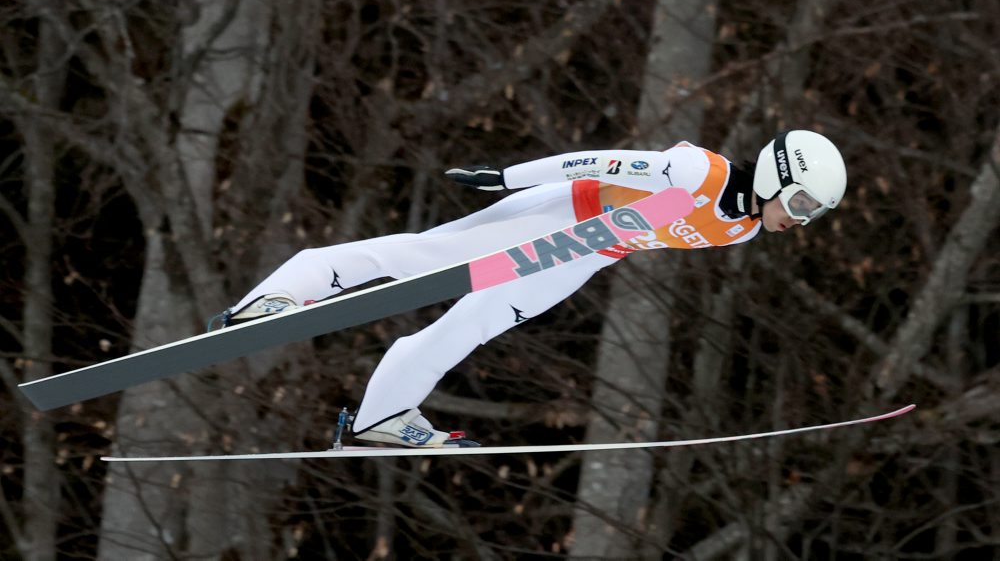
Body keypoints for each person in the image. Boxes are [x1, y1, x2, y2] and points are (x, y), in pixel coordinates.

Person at [225, 130, 846, 447]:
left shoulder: (740, 230)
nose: (800, 217)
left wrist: (582, 253)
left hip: (585, 254)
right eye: (801, 201)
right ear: (776, 173)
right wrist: (506, 178)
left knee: (477, 322)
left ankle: (380, 416)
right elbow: (601, 162)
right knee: (428, 256)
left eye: (814, 213)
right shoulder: (700, 175)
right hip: (562, 214)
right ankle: (285, 292)